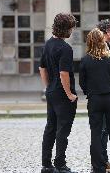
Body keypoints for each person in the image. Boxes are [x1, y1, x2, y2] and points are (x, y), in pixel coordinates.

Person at [79, 28, 110, 173]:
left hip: (95, 99)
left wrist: (90, 92)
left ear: (89, 42)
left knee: (96, 133)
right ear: (102, 40)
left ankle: (98, 167)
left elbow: (82, 82)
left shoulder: (86, 59)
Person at [39, 13, 78, 173]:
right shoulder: (65, 48)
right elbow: (64, 73)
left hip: (51, 91)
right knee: (63, 130)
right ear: (66, 29)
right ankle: (60, 164)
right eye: (71, 28)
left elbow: (42, 68)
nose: (72, 31)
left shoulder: (48, 44)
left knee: (50, 127)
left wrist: (49, 86)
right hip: (63, 95)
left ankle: (46, 165)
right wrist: (69, 94)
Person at [96, 19, 110, 172]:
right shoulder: (101, 49)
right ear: (105, 33)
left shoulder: (102, 47)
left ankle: (102, 162)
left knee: (103, 132)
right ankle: (102, 163)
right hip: (103, 96)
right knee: (102, 132)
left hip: (97, 96)